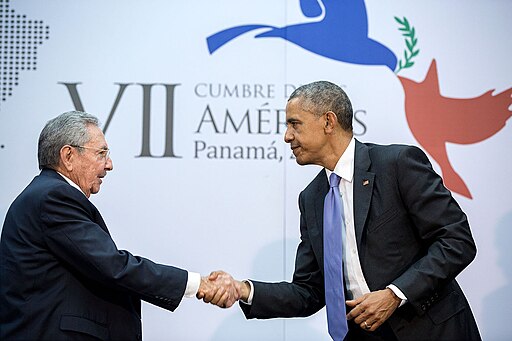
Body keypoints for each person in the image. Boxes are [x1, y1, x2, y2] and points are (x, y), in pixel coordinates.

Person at [211, 81, 481, 340]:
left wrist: (395, 294)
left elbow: (456, 241)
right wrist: (243, 290)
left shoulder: (397, 165)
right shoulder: (312, 198)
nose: (287, 136)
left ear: (328, 121)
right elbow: (309, 292)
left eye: (295, 124)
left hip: (431, 331)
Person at [0, 111, 238, 340]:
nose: (109, 164)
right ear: (68, 156)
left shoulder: (45, 195)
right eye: (101, 153)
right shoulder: (53, 198)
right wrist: (197, 284)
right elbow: (113, 266)